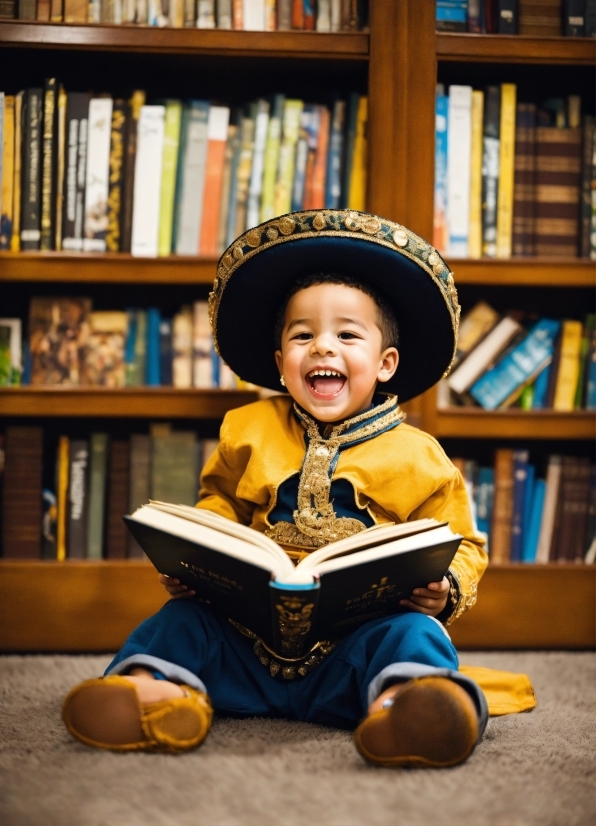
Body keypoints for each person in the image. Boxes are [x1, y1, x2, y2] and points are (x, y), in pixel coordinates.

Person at [62, 209, 534, 767]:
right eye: (303, 335)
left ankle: (404, 706)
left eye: (347, 335)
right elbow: (219, 504)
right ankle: (156, 697)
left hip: (353, 654)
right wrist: (194, 559)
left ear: (385, 364)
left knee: (412, 634)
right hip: (246, 643)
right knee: (179, 626)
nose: (323, 348)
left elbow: (463, 542)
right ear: (281, 362)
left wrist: (444, 587)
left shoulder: (419, 456)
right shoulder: (247, 430)